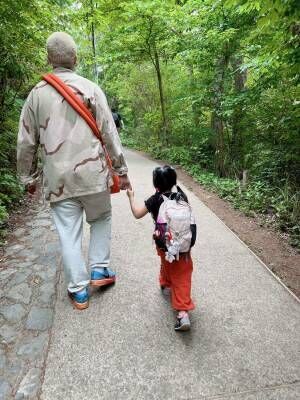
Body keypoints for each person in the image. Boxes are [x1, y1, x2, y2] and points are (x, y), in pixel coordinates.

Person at [17, 32, 131, 310]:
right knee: (101, 218)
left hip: (59, 181)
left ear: (48, 59)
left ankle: (79, 292)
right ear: (75, 59)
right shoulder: (91, 88)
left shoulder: (35, 96)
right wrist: (121, 170)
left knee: (69, 233)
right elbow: (109, 132)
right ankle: (99, 270)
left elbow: (26, 142)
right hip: (93, 175)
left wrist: (28, 178)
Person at [126, 165, 195, 331]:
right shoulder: (181, 196)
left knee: (174, 270)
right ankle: (165, 281)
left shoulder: (155, 199)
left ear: (155, 185)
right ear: (173, 182)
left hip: (164, 244)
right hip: (183, 246)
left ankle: (182, 313)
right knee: (182, 271)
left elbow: (137, 213)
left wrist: (131, 196)